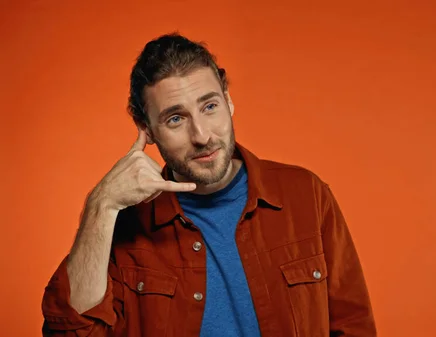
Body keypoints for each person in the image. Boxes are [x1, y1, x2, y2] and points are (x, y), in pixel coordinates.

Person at [41, 32, 376, 337]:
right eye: (176, 119)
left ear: (228, 101)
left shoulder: (306, 195)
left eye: (209, 106)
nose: (202, 136)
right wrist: (101, 206)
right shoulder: (126, 221)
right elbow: (71, 335)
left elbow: (353, 327)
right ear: (147, 128)